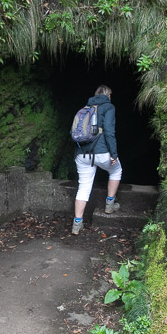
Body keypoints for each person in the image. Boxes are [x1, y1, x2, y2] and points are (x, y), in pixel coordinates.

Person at [72, 84, 122, 235]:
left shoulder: (86, 108)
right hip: (101, 153)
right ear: (109, 96)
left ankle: (77, 223)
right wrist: (114, 153)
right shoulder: (109, 107)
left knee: (84, 187)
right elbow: (109, 132)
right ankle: (109, 204)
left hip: (82, 154)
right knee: (116, 170)